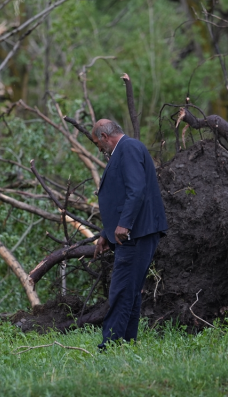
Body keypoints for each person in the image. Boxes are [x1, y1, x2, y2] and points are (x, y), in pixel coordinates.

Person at [91, 119, 168, 349]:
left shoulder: (129, 148)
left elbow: (136, 189)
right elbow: (122, 195)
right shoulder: (122, 151)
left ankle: (110, 345)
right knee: (130, 291)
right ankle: (125, 343)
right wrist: (106, 232)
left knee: (122, 289)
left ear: (105, 137)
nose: (99, 149)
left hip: (136, 233)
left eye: (98, 143)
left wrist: (124, 225)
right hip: (132, 233)